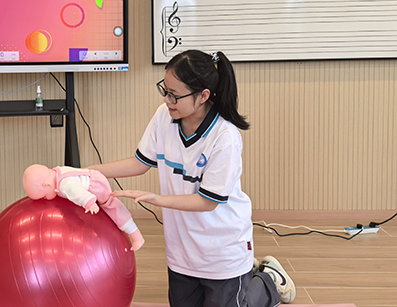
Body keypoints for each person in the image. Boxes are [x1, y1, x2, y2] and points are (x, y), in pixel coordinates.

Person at [87, 50, 296, 306]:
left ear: (203, 96)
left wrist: (156, 199)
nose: (167, 99)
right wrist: (86, 171)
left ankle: (267, 280)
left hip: (223, 249)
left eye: (174, 95)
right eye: (165, 90)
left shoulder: (225, 136)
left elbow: (208, 202)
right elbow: (140, 162)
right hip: (182, 251)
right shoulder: (164, 116)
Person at [23, 164, 145, 251]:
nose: (45, 199)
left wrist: (89, 202)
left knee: (112, 206)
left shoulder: (64, 184)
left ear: (47, 185)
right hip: (93, 176)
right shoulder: (56, 172)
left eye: (44, 196)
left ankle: (137, 236)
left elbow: (77, 192)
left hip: (96, 187)